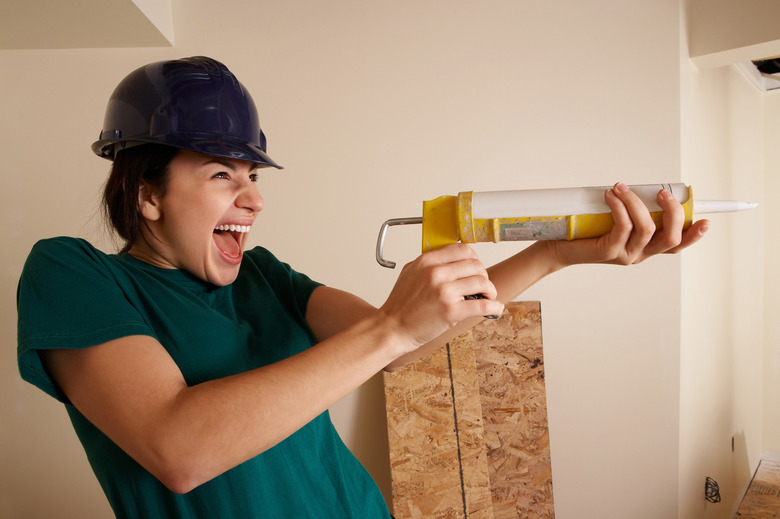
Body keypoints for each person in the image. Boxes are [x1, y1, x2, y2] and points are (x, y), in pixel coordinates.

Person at [16, 56, 709, 519]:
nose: (253, 201)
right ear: (147, 195)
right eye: (223, 175)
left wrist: (558, 252)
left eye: (254, 177)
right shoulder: (74, 275)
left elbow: (404, 344)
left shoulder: (261, 275)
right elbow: (179, 449)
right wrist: (391, 328)